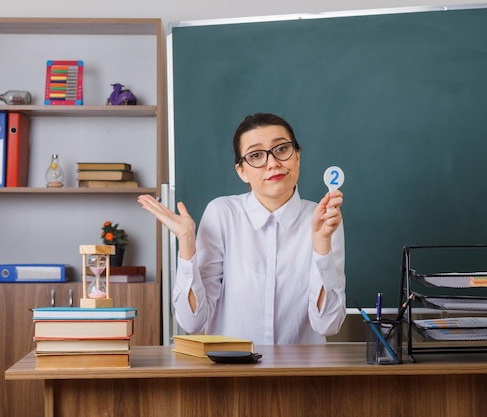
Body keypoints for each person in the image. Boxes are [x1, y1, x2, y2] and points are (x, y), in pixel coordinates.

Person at [138, 113, 346, 345]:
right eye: (256, 155)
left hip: (300, 374)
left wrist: (321, 246)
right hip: (231, 373)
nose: (272, 163)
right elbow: (192, 322)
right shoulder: (222, 214)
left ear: (297, 156)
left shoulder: (323, 218)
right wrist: (187, 242)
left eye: (281, 149)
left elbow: (327, 324)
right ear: (241, 171)